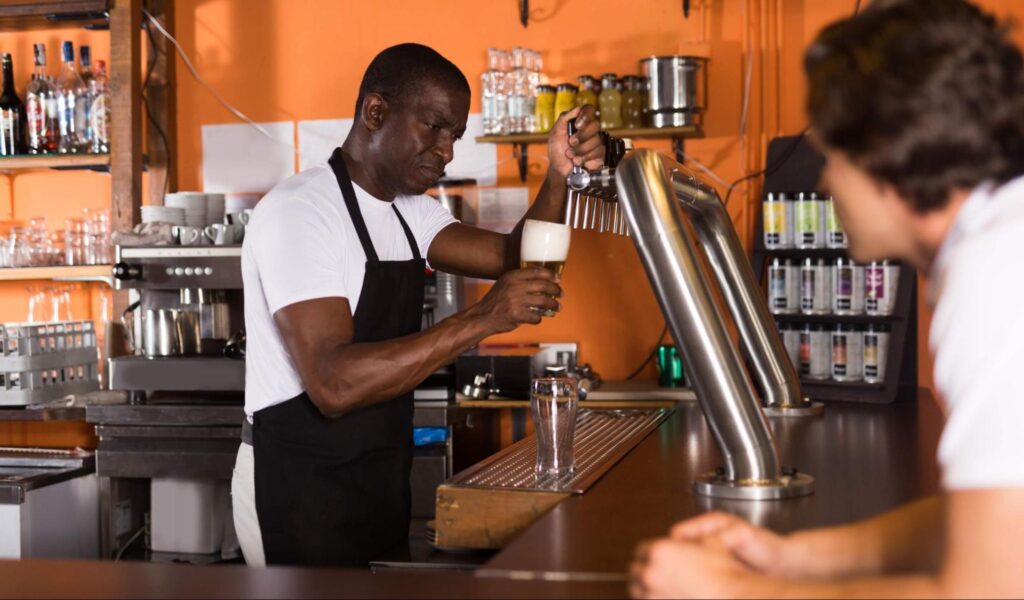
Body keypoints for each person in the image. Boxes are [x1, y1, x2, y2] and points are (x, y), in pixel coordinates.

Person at [631, 1, 1024, 597]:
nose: (823, 182)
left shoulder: (996, 273)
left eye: (835, 154)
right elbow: (991, 516)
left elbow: (987, 587)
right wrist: (792, 559)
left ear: (889, 151)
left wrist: (736, 593)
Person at [231, 43, 605, 567]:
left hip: (376, 481)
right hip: (295, 486)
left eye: (455, 135)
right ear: (375, 112)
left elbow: (511, 256)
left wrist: (559, 174)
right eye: (434, 127)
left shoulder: (410, 212)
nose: (447, 150)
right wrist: (482, 318)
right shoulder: (301, 212)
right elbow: (333, 384)